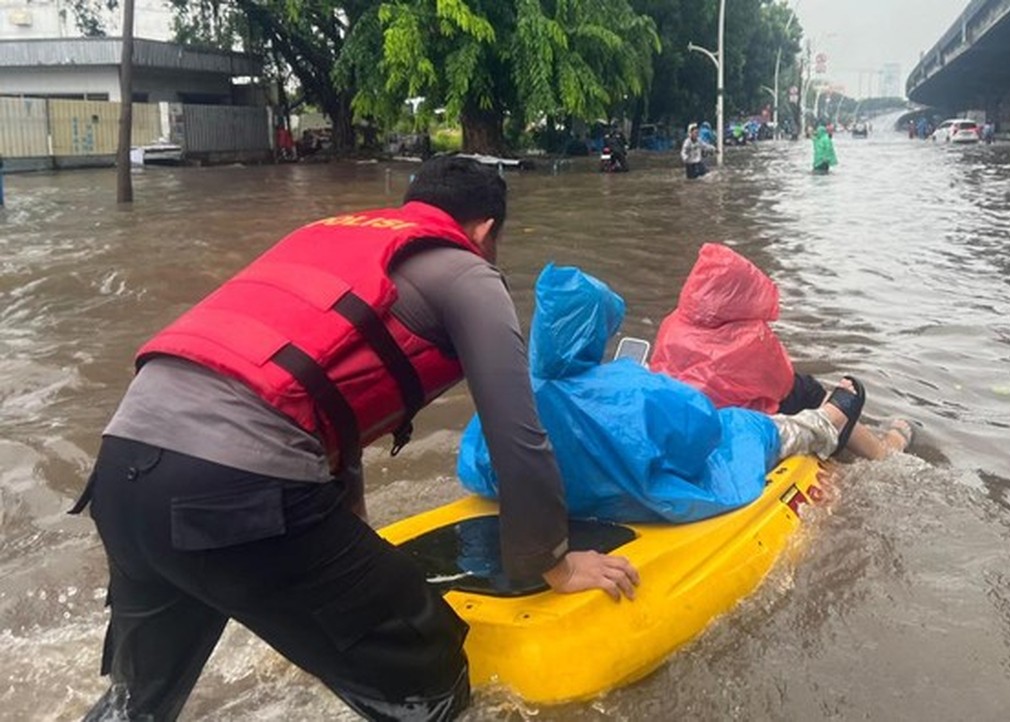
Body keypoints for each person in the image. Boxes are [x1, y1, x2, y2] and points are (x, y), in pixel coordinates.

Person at [71, 156, 638, 722]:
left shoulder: (332, 238)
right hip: (230, 488)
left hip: (121, 470)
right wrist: (554, 563)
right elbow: (516, 433)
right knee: (427, 657)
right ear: (486, 230)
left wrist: (350, 529)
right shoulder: (467, 273)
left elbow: (313, 389)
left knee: (137, 702)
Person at [457, 264, 869, 524]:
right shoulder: (631, 388)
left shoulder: (508, 391)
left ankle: (824, 423)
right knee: (748, 429)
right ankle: (828, 421)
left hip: (571, 490)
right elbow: (703, 433)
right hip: (643, 493)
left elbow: (475, 465)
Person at [650, 243, 912, 460]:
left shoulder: (672, 324)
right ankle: (882, 451)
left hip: (686, 413)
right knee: (806, 388)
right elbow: (780, 383)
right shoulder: (750, 337)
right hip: (744, 419)